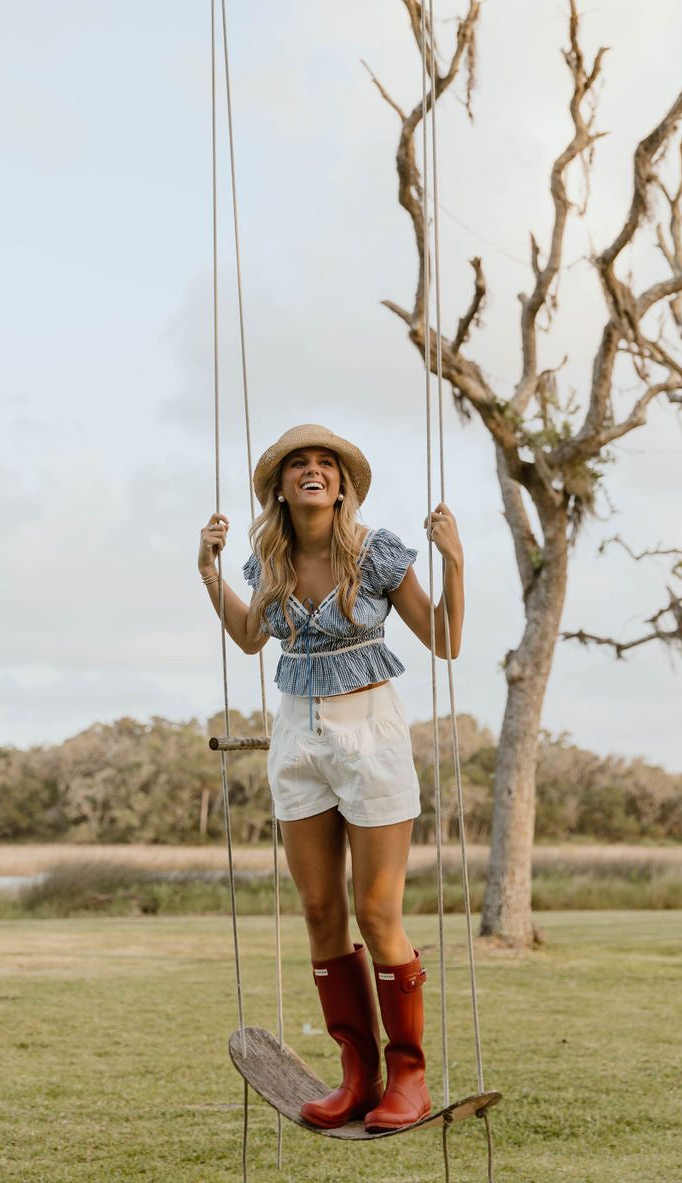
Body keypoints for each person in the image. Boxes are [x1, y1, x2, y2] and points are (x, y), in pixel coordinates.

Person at [196, 423, 464, 1132]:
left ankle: (409, 1074)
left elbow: (444, 640)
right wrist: (209, 574)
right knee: (320, 912)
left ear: (342, 484)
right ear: (280, 486)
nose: (313, 471)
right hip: (296, 735)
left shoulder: (376, 552)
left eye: (326, 463)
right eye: (298, 464)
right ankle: (357, 1074)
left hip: (370, 734)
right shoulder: (269, 560)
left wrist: (454, 563)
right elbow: (252, 637)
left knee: (378, 915)